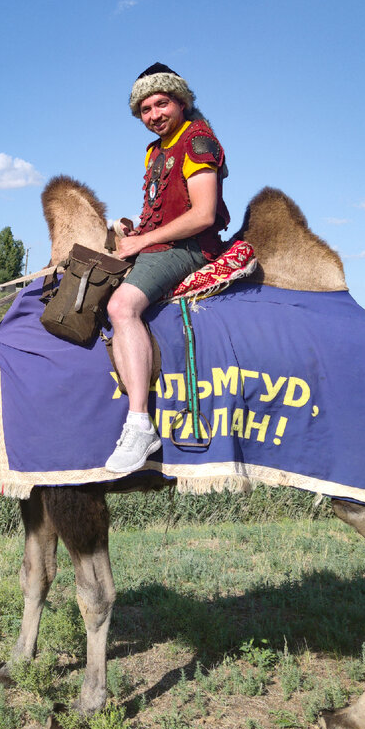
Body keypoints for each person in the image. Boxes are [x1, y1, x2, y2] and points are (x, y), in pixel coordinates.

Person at [103, 63, 230, 474]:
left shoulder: (198, 142)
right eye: (145, 109)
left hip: (188, 248)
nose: (154, 114)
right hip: (160, 242)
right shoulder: (155, 150)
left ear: (181, 102)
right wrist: (135, 230)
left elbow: (203, 214)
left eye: (161, 104)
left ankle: (140, 424)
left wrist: (142, 242)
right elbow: (163, 208)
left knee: (122, 307)